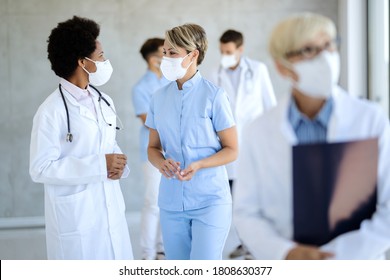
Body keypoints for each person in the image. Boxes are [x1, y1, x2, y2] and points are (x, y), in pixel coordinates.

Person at [233, 12, 390, 259]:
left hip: (358, 263)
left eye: (328, 46)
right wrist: (287, 253)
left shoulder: (371, 120)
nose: (325, 58)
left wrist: (337, 257)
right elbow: (246, 212)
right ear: (283, 67)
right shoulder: (259, 131)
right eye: (308, 50)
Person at [29, 16, 133, 260]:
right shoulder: (51, 111)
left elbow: (106, 143)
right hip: (76, 217)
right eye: (100, 56)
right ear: (82, 62)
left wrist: (118, 164)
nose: (105, 62)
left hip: (110, 206)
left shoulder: (104, 100)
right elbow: (40, 168)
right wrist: (100, 165)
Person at [146, 23, 238, 260]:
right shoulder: (158, 97)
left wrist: (199, 164)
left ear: (193, 54)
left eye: (172, 53)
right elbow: (153, 148)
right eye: (164, 53)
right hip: (171, 203)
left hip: (210, 201)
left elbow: (232, 149)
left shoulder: (214, 96)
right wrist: (160, 163)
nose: (165, 58)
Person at [209, 29, 277, 259]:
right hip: (228, 147)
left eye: (229, 52)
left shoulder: (258, 70)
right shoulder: (214, 73)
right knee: (233, 200)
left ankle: (254, 246)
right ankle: (245, 242)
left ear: (240, 49)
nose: (224, 56)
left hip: (253, 145)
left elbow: (270, 106)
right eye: (221, 51)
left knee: (253, 200)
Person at [132, 38, 169, 260]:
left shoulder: (171, 81)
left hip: (174, 151)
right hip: (152, 151)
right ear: (153, 59)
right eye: (163, 53)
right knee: (153, 201)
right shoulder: (141, 87)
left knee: (170, 202)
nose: (167, 56)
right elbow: (148, 120)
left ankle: (163, 248)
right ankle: (147, 252)